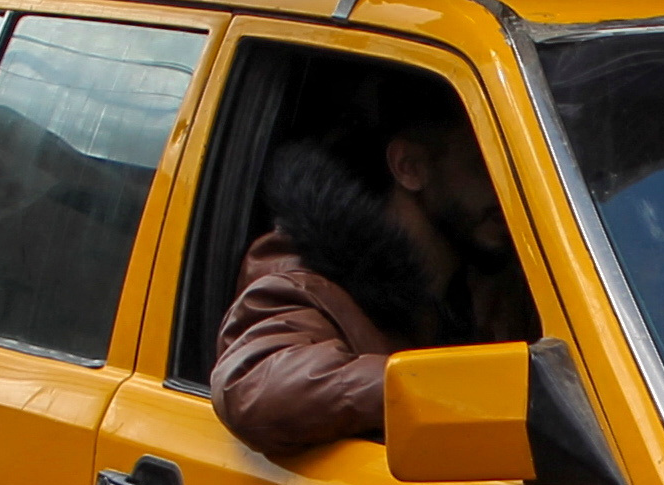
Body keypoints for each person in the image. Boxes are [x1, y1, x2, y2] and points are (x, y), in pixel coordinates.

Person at [213, 91, 537, 457]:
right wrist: (444, 390)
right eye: (487, 165)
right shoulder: (306, 284)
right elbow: (255, 387)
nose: (511, 190)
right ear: (409, 167)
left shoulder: (504, 282)